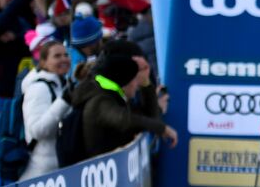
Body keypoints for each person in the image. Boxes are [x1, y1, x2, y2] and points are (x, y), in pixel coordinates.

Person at [70, 53, 176, 160]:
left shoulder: (115, 96)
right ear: (125, 81)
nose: (137, 85)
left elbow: (150, 117)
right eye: (136, 79)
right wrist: (163, 129)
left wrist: (146, 84)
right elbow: (125, 120)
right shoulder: (100, 101)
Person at [18, 39, 71, 179]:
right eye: (57, 56)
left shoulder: (63, 84)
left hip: (59, 168)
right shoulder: (38, 88)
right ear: (43, 62)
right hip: (41, 174)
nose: (64, 59)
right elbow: (37, 130)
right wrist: (64, 101)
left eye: (66, 55)